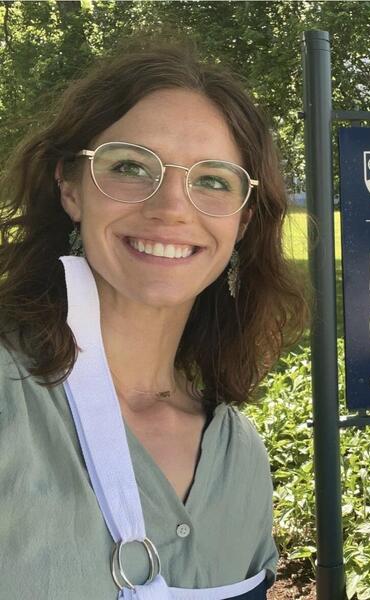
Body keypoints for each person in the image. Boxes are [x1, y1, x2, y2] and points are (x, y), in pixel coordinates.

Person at [0, 38, 306, 599]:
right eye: (130, 166)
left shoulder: (238, 457)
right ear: (70, 187)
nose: (170, 208)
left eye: (213, 180)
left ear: (242, 222)